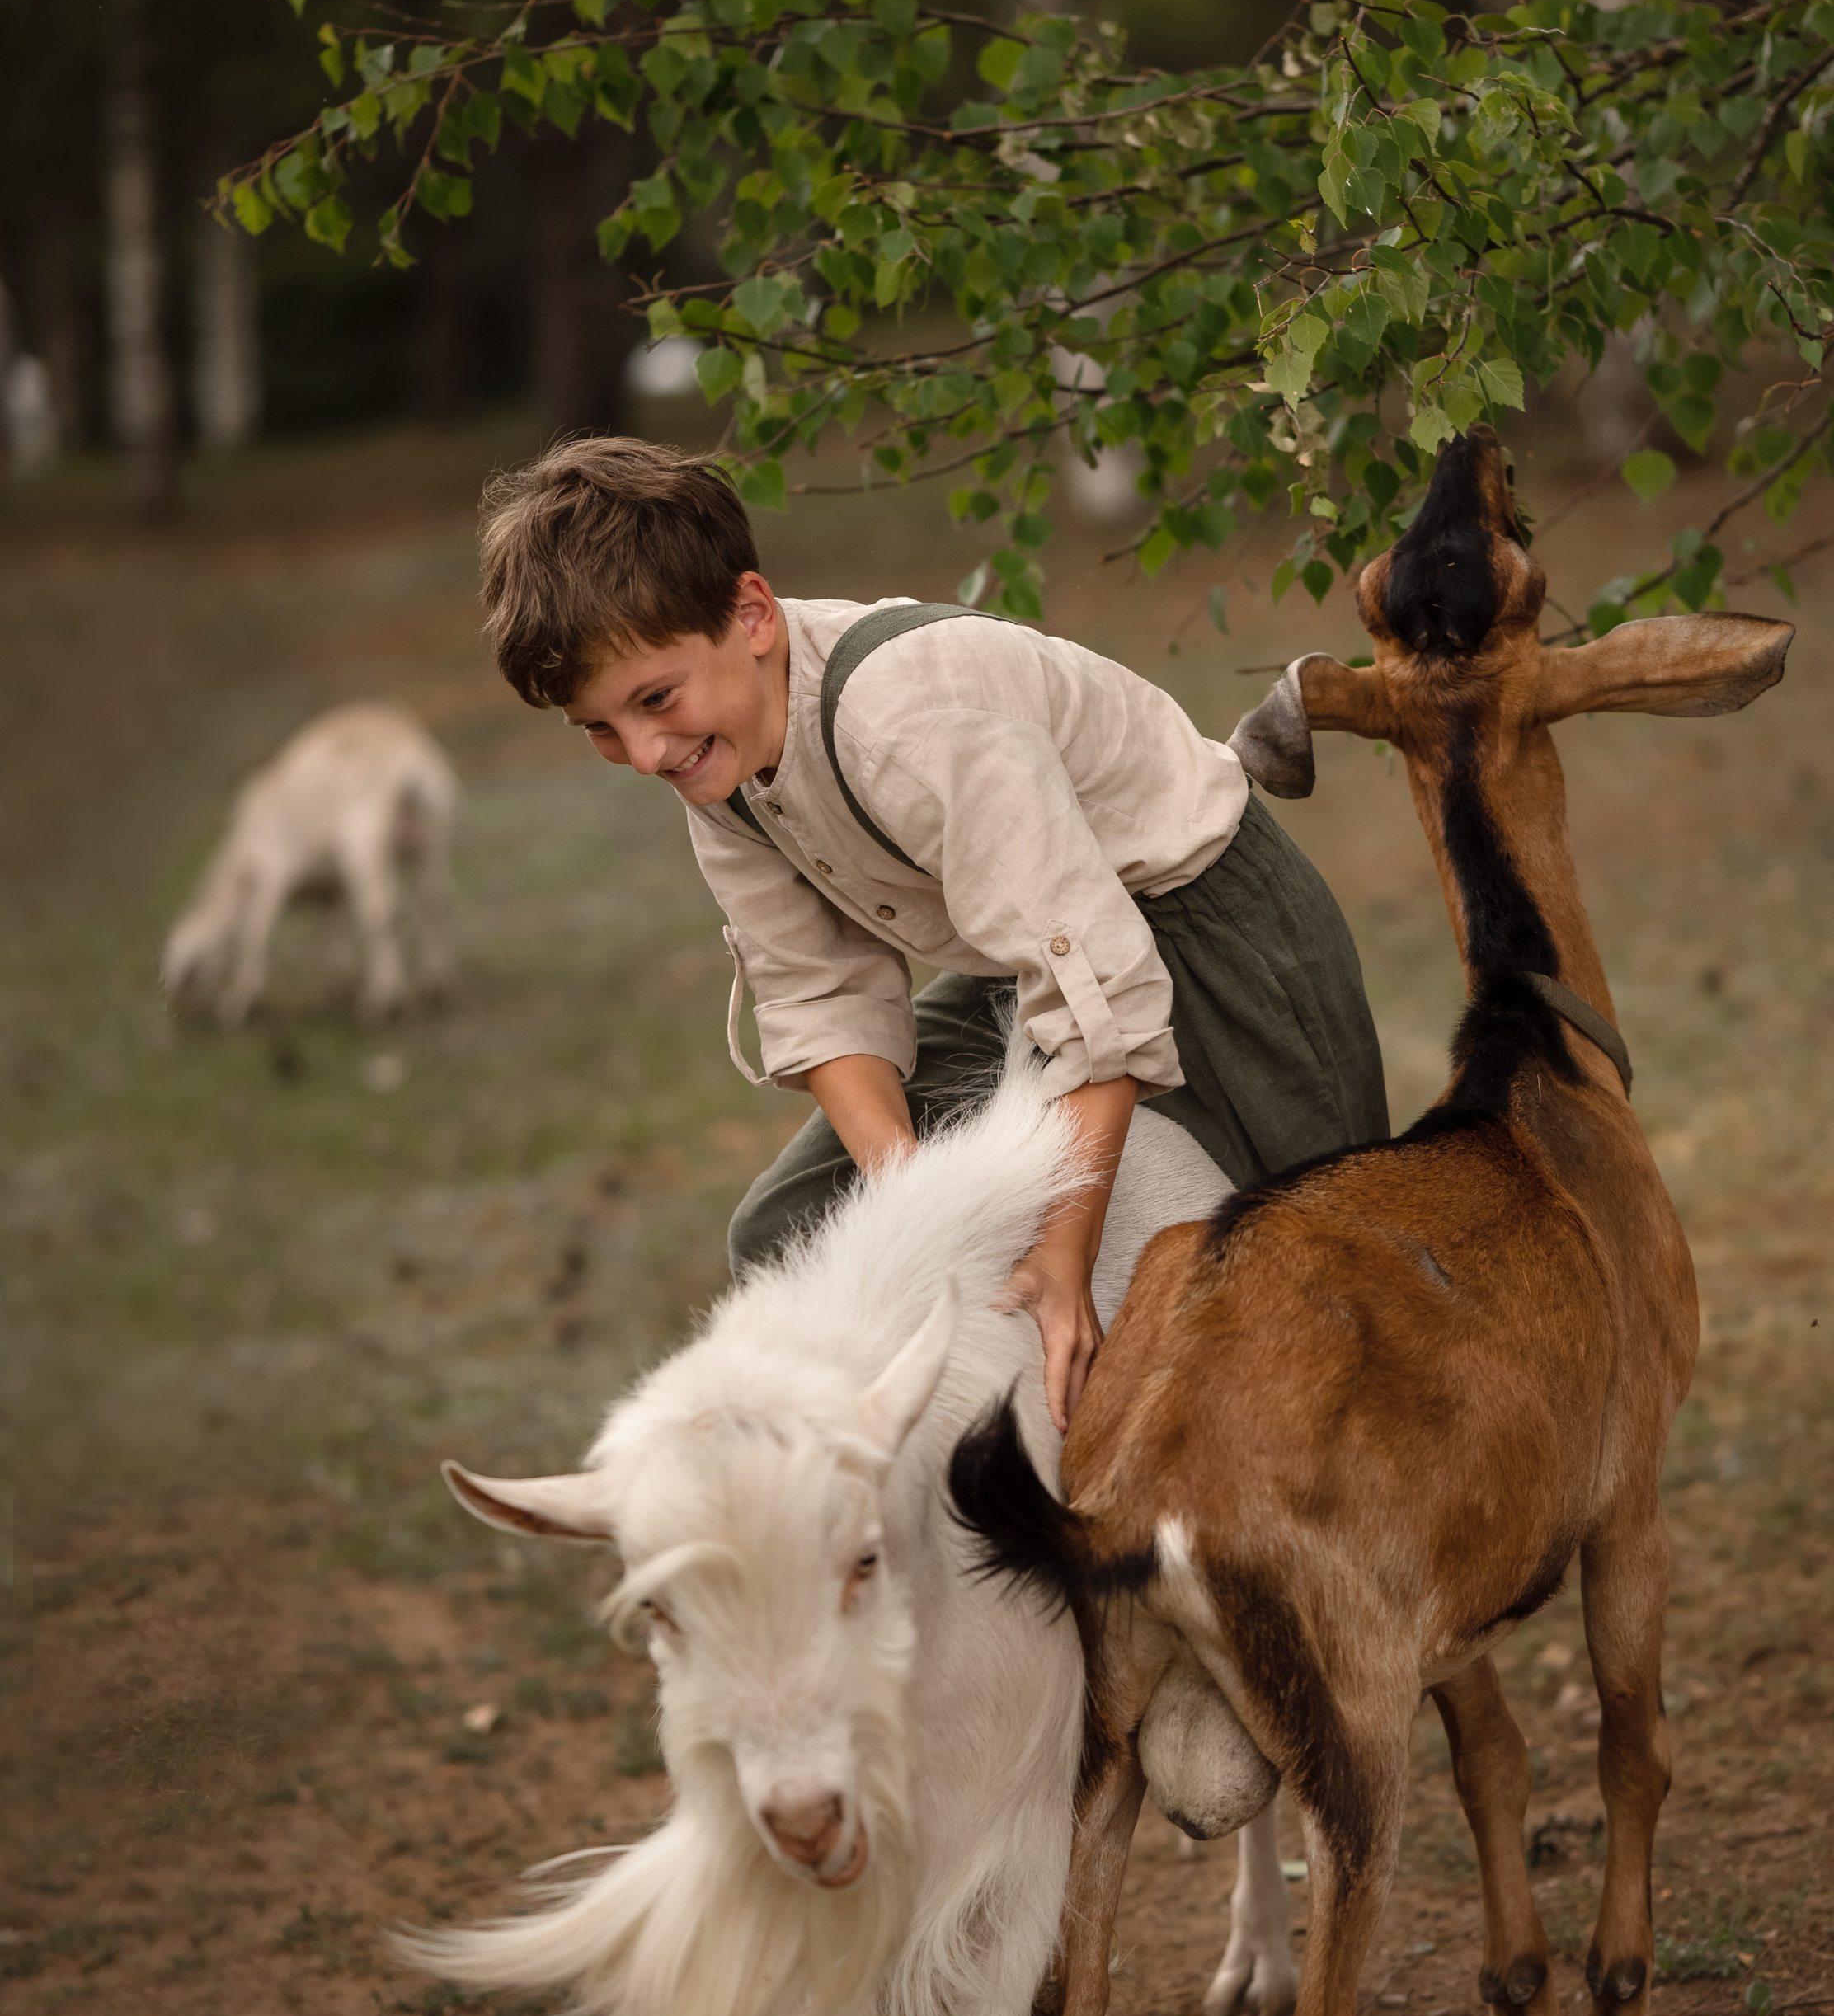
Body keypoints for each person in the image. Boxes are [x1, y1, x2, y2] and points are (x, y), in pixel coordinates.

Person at [478, 437, 1388, 1430]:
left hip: (1214, 933)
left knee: (1342, 1280)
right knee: (789, 1229)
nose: (645, 753)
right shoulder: (718, 761)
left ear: (750, 616)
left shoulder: (908, 720)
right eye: (602, 728)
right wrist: (911, 1200)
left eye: (655, 700)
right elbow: (821, 993)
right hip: (1025, 963)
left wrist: (1062, 1251)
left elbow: (1098, 988)